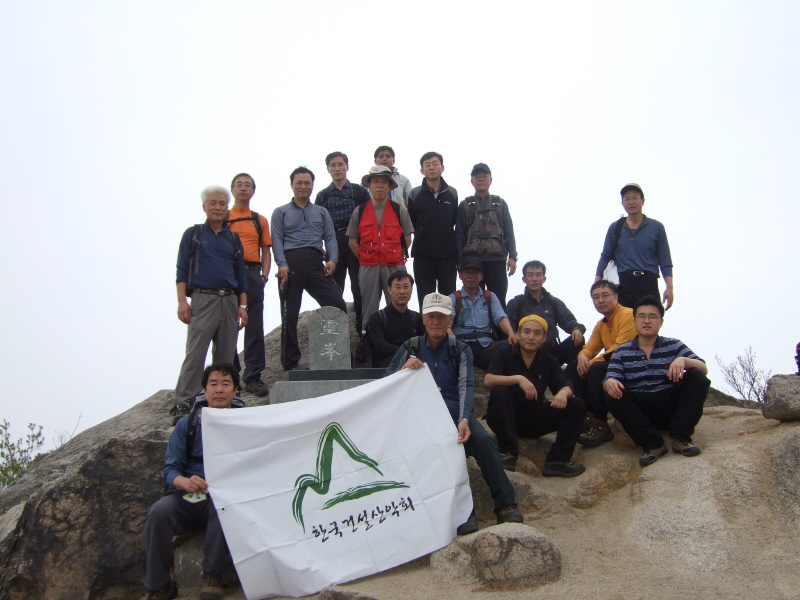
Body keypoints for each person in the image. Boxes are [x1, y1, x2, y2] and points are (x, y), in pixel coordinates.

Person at [386, 293, 523, 534]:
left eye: (441, 317)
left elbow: (466, 386)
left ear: (451, 319)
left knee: (484, 441)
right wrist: (403, 370)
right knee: (442, 450)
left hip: (454, 413)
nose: (436, 321)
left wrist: (463, 420)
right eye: (431, 316)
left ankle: (506, 504)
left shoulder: (460, 350)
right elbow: (386, 384)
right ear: (423, 318)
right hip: (421, 419)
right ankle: (464, 514)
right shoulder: (410, 347)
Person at [143, 364, 239, 600]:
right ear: (204, 391)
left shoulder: (245, 424)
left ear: (236, 390)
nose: (219, 389)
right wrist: (184, 482)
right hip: (185, 497)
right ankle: (159, 586)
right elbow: (170, 470)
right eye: (213, 384)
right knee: (158, 513)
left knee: (224, 506)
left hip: (222, 498)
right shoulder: (187, 425)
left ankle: (212, 577)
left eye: (226, 384)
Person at [603, 296, 710, 467]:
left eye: (652, 316)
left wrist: (683, 360)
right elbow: (612, 377)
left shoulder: (673, 345)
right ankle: (653, 444)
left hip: (670, 405)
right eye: (642, 316)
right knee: (611, 392)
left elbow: (702, 367)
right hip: (641, 410)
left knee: (697, 376)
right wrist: (609, 382)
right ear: (635, 321)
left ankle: (680, 438)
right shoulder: (621, 352)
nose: (647, 321)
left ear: (661, 322)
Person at [173, 186, 247, 417]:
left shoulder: (233, 238)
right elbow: (181, 269)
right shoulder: (193, 234)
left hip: (229, 300)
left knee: (226, 357)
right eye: (213, 203)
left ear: (227, 207)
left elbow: (241, 275)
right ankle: (185, 400)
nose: (217, 207)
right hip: (202, 298)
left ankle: (226, 401)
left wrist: (243, 306)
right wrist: (182, 301)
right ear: (204, 206)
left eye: (222, 203)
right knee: (196, 353)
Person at [484, 315, 586, 476]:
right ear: (518, 334)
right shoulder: (503, 353)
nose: (531, 337)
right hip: (505, 416)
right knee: (500, 391)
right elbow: (489, 380)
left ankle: (557, 460)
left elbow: (566, 387)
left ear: (544, 338)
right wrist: (518, 379)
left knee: (577, 404)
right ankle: (507, 453)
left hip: (534, 418)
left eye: (537, 333)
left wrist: (562, 393)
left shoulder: (549, 360)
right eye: (526, 332)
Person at [272, 167, 347, 371]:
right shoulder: (280, 212)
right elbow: (276, 240)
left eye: (307, 183)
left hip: (315, 262)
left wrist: (333, 260)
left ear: (313, 186)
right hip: (290, 263)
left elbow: (330, 238)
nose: (303, 187)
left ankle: (338, 356)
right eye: (299, 183)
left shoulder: (321, 212)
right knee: (289, 313)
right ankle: (290, 363)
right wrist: (281, 264)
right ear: (292, 185)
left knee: (337, 303)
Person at [565, 280, 636, 447]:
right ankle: (588, 415)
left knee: (596, 368)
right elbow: (590, 347)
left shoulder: (628, 315)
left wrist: (590, 362)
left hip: (629, 365)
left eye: (605, 296)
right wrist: (583, 357)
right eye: (596, 297)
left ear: (616, 297)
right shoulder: (601, 324)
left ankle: (601, 422)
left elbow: (620, 349)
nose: (600, 300)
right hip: (612, 364)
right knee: (575, 366)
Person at [347, 165, 414, 329]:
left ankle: (400, 338)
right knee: (369, 307)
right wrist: (364, 257)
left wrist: (394, 254)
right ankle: (368, 338)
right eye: (375, 181)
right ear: (369, 185)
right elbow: (352, 241)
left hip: (394, 265)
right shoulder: (359, 211)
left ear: (390, 186)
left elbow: (407, 238)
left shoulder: (399, 210)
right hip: (368, 266)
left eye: (384, 182)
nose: (379, 185)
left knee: (398, 304)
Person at [595, 183, 674, 310]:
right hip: (622, 284)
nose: (631, 202)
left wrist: (669, 287)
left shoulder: (656, 227)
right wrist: (597, 284)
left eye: (635, 198)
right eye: (627, 199)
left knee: (648, 318)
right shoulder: (615, 228)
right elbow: (605, 256)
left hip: (648, 281)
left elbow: (665, 260)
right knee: (622, 319)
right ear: (622, 203)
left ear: (643, 201)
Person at [227, 173, 271, 397]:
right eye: (239, 185)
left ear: (253, 191)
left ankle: (253, 375)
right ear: (232, 190)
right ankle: (230, 375)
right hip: (227, 272)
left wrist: (264, 276)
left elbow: (266, 250)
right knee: (227, 324)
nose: (243, 188)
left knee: (254, 325)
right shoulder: (224, 217)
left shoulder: (258, 219)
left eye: (247, 185)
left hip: (252, 272)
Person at [315, 152, 367, 333]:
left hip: (356, 240)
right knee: (334, 287)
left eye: (340, 164)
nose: (337, 169)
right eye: (333, 165)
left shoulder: (359, 191)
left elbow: (368, 216)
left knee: (359, 286)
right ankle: (334, 330)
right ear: (328, 169)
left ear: (347, 167)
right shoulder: (323, 195)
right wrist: (320, 248)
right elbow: (317, 224)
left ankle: (362, 330)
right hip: (333, 241)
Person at [455, 163, 517, 306]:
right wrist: (460, 262)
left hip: (497, 259)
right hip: (473, 261)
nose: (481, 179)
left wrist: (512, 256)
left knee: (498, 300)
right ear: (472, 181)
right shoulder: (465, 205)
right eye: (477, 176)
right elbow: (459, 235)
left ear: (491, 180)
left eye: (484, 176)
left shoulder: (500, 204)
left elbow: (509, 231)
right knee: (474, 300)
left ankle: (499, 322)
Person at [505, 260, 586, 366]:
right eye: (530, 275)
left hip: (552, 353)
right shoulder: (516, 303)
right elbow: (509, 328)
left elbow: (568, 320)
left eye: (538, 275)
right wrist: (515, 335)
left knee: (577, 338)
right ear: (524, 279)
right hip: (526, 353)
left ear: (544, 279)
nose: (535, 279)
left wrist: (576, 328)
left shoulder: (553, 302)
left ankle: (570, 374)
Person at [407, 152, 459, 309]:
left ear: (442, 168)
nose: (431, 168)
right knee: (425, 299)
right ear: (422, 170)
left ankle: (449, 325)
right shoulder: (415, 194)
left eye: (435, 164)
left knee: (448, 299)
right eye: (427, 165)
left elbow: (454, 221)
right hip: (423, 255)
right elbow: (411, 222)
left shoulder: (452, 193)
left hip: (447, 255)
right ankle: (425, 325)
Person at [448, 256, 514, 370]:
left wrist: (511, 333)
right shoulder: (453, 298)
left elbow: (500, 317)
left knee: (510, 346)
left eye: (475, 273)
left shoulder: (490, 296)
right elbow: (447, 324)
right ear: (460, 275)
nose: (471, 276)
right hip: (462, 345)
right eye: (467, 272)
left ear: (481, 276)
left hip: (487, 346)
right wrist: (453, 341)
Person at [366, 271, 425, 368]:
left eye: (406, 287)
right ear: (389, 290)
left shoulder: (417, 318)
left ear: (411, 289)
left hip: (415, 365)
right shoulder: (377, 318)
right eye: (397, 287)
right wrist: (406, 354)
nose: (402, 291)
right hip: (386, 368)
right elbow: (380, 346)